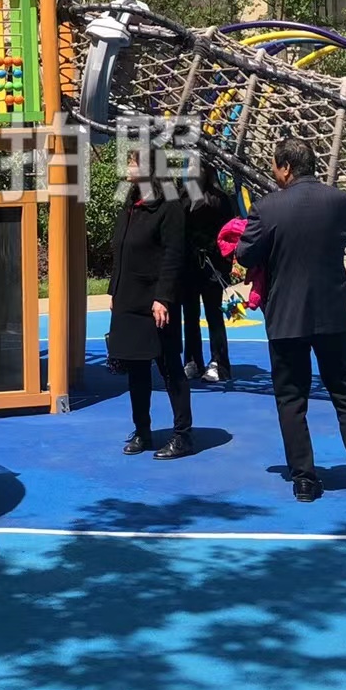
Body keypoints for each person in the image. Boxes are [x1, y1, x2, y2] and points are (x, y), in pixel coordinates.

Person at [236, 137, 346, 505]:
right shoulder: (340, 201)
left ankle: (304, 479)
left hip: (286, 314)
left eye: (275, 165)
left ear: (285, 167)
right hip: (333, 313)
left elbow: (245, 254)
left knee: (291, 398)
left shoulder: (266, 208)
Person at [106, 149, 194, 459]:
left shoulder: (169, 205)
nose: (129, 167)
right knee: (136, 370)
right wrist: (114, 290)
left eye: (134, 162)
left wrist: (163, 297)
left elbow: (173, 254)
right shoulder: (132, 202)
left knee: (170, 368)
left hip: (156, 302)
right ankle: (142, 430)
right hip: (128, 298)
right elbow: (121, 250)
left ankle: (183, 435)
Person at [181, 161, 237, 382]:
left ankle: (219, 362)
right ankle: (192, 360)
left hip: (213, 266)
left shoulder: (220, 200)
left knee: (214, 314)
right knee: (190, 315)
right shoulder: (183, 197)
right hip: (189, 266)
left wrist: (224, 267)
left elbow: (229, 235)